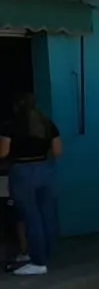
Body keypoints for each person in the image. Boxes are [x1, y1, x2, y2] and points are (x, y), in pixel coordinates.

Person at [0, 93, 63, 276]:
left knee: (30, 217)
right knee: (48, 215)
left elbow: (3, 152)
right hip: (45, 169)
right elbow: (58, 151)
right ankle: (46, 256)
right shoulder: (47, 124)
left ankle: (37, 261)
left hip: (22, 171)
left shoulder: (10, 125)